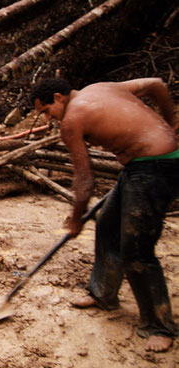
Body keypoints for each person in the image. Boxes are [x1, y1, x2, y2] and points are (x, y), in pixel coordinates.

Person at [31, 77, 178, 352]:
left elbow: (85, 178)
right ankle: (103, 293)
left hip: (154, 168)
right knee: (108, 226)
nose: (48, 118)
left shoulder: (71, 121)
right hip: (142, 164)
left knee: (136, 249)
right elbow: (157, 84)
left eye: (46, 110)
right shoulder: (101, 87)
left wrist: (76, 218)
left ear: (59, 98)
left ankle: (160, 325)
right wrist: (170, 124)